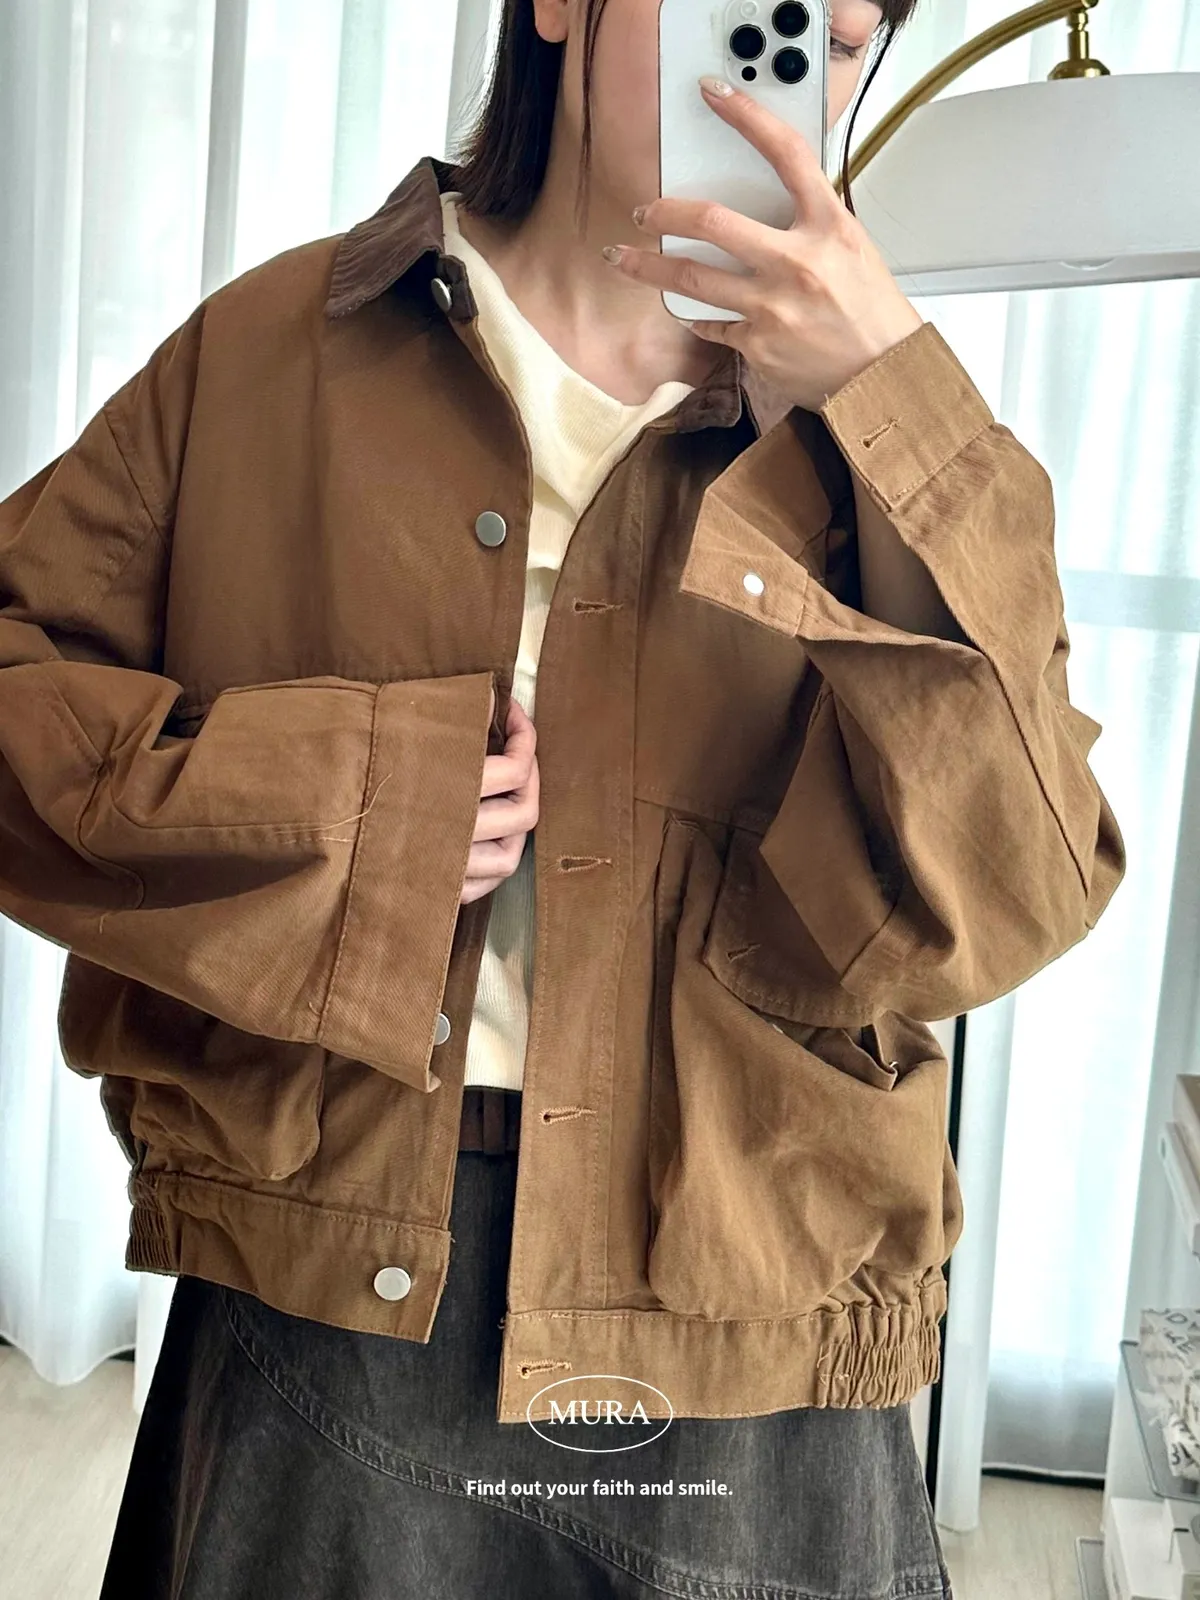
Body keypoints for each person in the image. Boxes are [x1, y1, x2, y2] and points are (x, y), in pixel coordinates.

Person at [0, 0, 1125, 1596]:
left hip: (757, 1323)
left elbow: (1019, 890)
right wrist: (344, 805)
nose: (767, 66)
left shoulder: (888, 445)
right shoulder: (270, 356)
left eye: (834, 34)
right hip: (332, 1277)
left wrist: (891, 411)